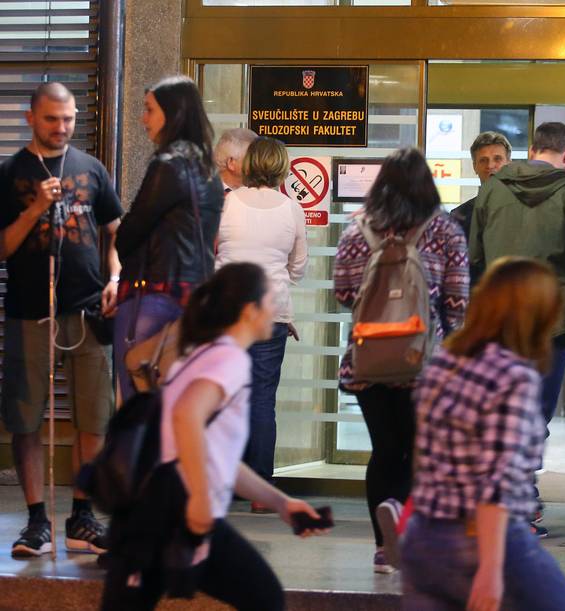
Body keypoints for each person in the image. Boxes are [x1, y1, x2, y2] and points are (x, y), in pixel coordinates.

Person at [101, 263, 327, 610]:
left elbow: (216, 456)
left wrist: (281, 503)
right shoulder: (229, 359)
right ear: (250, 310)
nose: (276, 306)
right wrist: (200, 501)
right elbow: (186, 416)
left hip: (155, 508)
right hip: (178, 507)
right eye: (271, 298)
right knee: (265, 597)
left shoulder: (200, 355)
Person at [401, 257, 565, 611]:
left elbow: (424, 455)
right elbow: (495, 483)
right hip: (482, 540)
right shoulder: (513, 375)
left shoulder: (443, 363)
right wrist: (490, 568)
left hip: (423, 537)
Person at [0, 82, 122, 557]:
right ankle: (35, 518)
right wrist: (35, 209)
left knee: (94, 416)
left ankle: (82, 515)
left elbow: (115, 232)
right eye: (52, 118)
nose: (62, 127)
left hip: (89, 310)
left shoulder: (91, 169)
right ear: (32, 118)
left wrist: (117, 276)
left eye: (68, 118)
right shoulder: (10, 173)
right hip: (31, 312)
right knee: (26, 416)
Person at [334, 147, 469, 573]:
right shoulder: (445, 230)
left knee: (384, 451)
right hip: (424, 363)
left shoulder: (358, 230)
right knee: (419, 453)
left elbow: (343, 295)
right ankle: (407, 529)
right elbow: (457, 302)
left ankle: (382, 547)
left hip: (367, 361)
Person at [470, 121, 565, 535]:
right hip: (553, 318)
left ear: (531, 149)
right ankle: (519, 505)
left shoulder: (492, 188)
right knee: (535, 413)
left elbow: (474, 254)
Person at [114, 75, 225, 403]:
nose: (142, 119)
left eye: (149, 109)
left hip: (153, 296)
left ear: (172, 112)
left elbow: (129, 233)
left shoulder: (168, 164)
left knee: (138, 404)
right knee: (179, 403)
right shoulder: (208, 168)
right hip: (193, 299)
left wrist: (122, 236)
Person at [215, 136, 308, 512]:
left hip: (227, 313)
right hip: (272, 314)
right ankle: (261, 490)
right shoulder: (292, 209)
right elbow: (298, 268)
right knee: (262, 399)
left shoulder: (226, 203)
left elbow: (208, 254)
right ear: (282, 167)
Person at [450, 131, 511, 285]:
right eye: (483, 160)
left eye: (497, 159)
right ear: (474, 167)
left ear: (509, 163)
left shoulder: (524, 210)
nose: (490, 166)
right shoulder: (459, 216)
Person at [214, 128, 258, 193]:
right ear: (231, 163)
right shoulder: (203, 195)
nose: (260, 163)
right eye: (253, 158)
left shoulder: (261, 194)